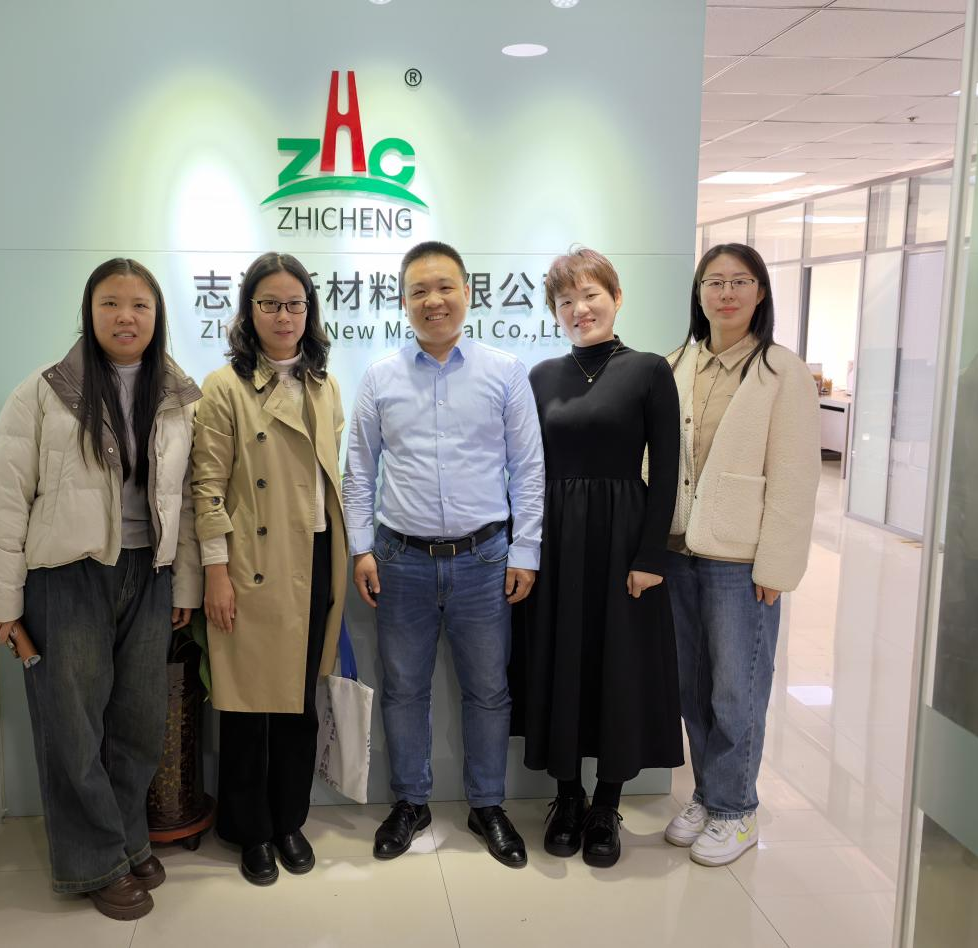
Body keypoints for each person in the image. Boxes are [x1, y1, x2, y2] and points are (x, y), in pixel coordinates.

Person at [0, 258, 202, 920]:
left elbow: (185, 500)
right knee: (72, 725)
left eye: (139, 305)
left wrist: (183, 582)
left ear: (157, 317)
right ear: (89, 311)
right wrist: (0, 602)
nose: (125, 316)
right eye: (110, 303)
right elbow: (6, 496)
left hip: (148, 573)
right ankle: (94, 861)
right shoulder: (44, 392)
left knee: (138, 721)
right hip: (66, 576)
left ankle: (127, 841)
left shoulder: (177, 397)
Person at [344, 240, 545, 868]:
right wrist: (361, 549)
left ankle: (488, 805)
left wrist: (526, 550)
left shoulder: (504, 372)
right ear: (404, 301)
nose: (433, 301)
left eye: (445, 287)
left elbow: (528, 469)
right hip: (399, 559)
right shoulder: (380, 376)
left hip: (485, 560)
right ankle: (411, 802)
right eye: (419, 291)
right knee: (404, 689)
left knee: (488, 690)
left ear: (467, 293)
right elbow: (359, 471)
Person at [511, 247, 682, 868]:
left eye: (591, 296)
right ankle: (567, 796)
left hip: (622, 538)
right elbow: (523, 468)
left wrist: (651, 554)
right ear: (555, 310)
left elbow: (667, 470)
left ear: (616, 297)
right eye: (566, 301)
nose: (580, 309)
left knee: (618, 666)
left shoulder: (649, 371)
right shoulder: (540, 376)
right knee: (560, 659)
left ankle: (608, 804)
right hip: (555, 537)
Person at [662, 243, 820, 867]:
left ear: (760, 293)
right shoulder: (676, 364)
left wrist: (777, 566)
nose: (726, 293)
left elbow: (795, 477)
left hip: (741, 560)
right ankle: (708, 794)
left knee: (737, 687)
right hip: (678, 550)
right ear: (698, 293)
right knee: (693, 686)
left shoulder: (782, 372)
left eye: (740, 282)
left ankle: (737, 810)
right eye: (714, 282)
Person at [191, 252, 347, 886]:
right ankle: (249, 828)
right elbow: (207, 488)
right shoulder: (224, 386)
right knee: (246, 705)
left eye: (294, 304)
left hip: (315, 555)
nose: (284, 316)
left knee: (298, 701)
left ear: (309, 311)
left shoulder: (324, 385)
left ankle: (289, 821)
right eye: (270, 304)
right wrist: (215, 573)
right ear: (249, 311)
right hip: (252, 561)